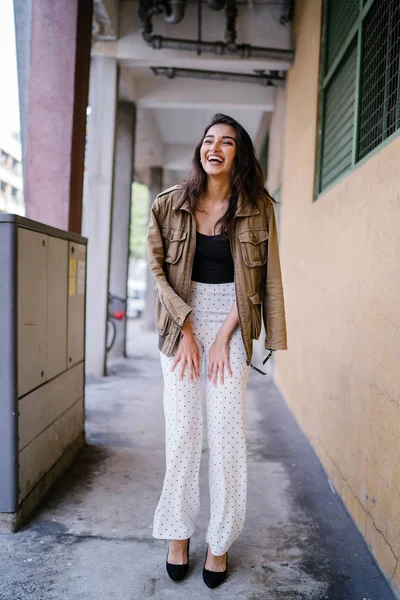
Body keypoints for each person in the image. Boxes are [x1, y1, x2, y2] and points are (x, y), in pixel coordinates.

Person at [146, 113, 287, 588]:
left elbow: (261, 278)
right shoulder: (169, 204)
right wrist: (187, 329)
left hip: (232, 321)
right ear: (199, 151)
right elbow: (159, 270)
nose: (216, 147)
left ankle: (220, 541)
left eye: (227, 142)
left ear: (238, 154)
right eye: (209, 140)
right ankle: (177, 534)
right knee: (183, 432)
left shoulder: (258, 208)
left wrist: (229, 335)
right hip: (179, 325)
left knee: (227, 437)